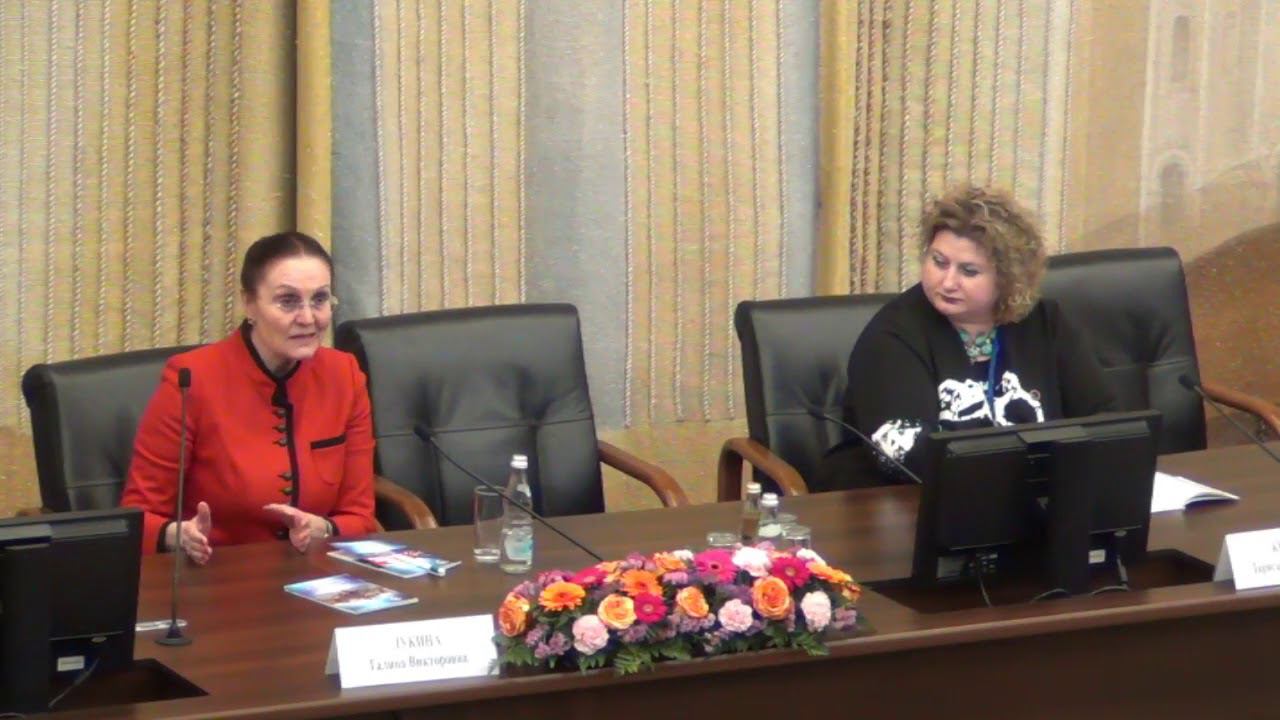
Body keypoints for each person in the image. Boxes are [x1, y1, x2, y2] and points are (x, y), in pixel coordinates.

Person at [814, 186, 1116, 491]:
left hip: (1037, 497)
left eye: (968, 271)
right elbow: (905, 453)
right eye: (939, 262)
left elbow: (1105, 421)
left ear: (1008, 279)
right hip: (913, 501)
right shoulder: (892, 336)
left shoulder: (1045, 323)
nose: (947, 282)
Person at [121, 231, 378, 562]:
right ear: (249, 304)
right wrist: (178, 536)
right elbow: (138, 518)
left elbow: (360, 516)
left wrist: (323, 528)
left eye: (319, 299)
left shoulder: (345, 374)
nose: (308, 318)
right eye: (288, 301)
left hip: (316, 571)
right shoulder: (191, 378)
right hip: (218, 575)